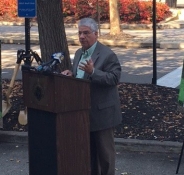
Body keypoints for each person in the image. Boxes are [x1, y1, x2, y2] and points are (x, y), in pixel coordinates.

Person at [61, 17, 122, 175]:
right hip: (82, 113)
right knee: (88, 155)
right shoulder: (79, 53)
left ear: (96, 34)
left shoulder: (108, 55)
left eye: (86, 33)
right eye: (80, 33)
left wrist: (93, 72)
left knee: (105, 156)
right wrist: (71, 74)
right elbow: (80, 76)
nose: (82, 37)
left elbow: (114, 78)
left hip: (102, 114)